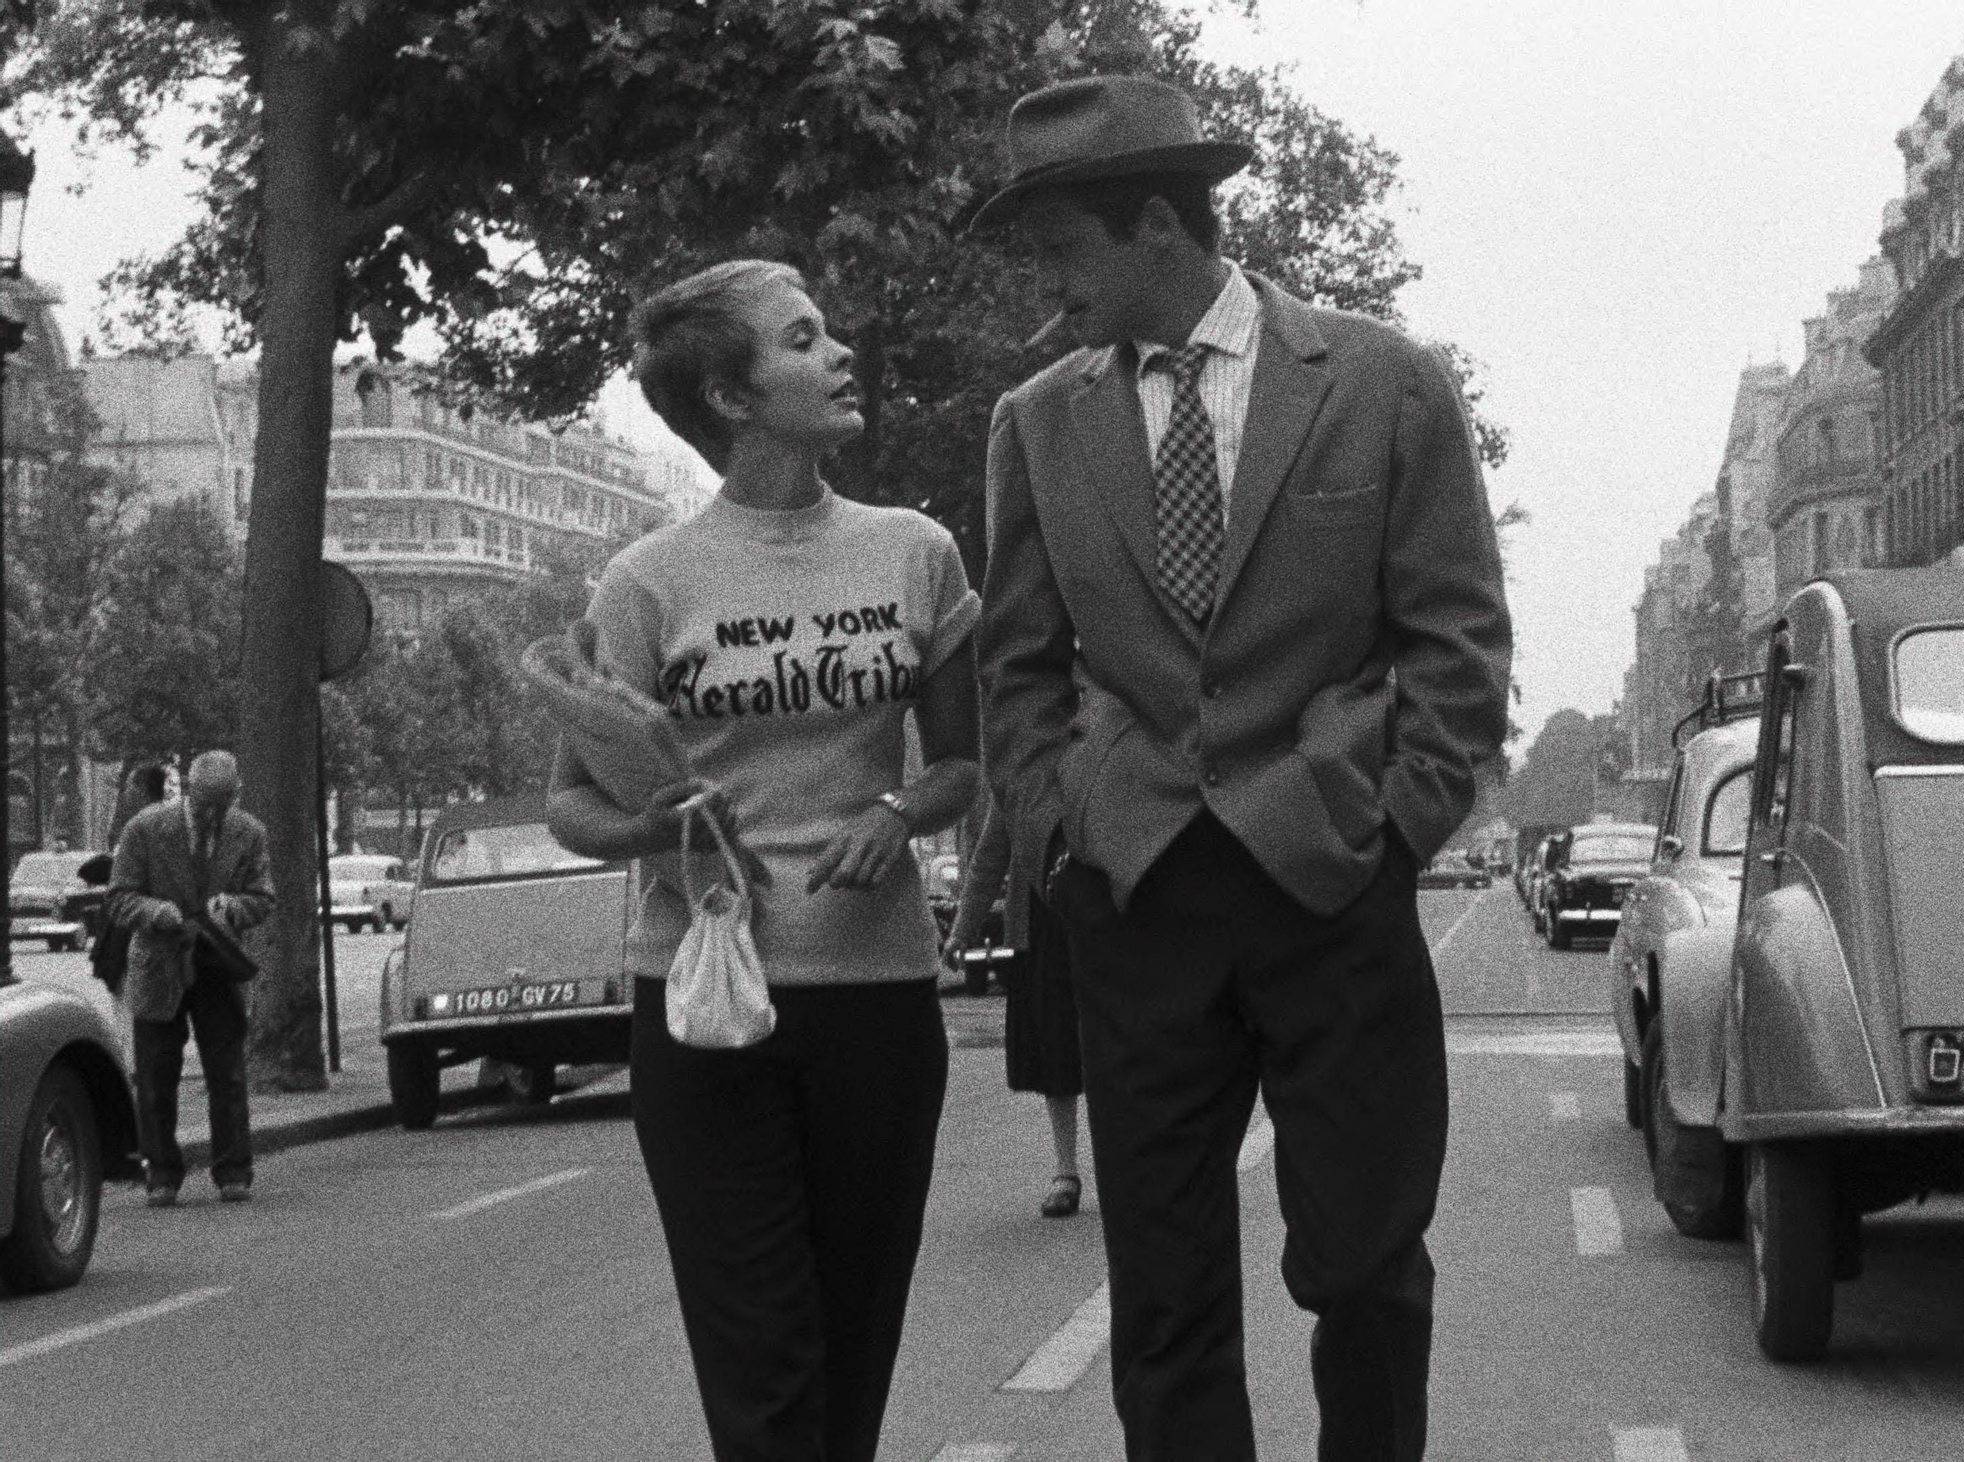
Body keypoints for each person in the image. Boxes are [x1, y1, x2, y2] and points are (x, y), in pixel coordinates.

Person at [973, 76, 1513, 1461]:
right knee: (1162, 1299)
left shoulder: (1384, 383)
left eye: (1062, 252)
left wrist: (1399, 820)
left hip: (1332, 879)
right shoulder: (1036, 423)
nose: (1048, 290)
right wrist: (1057, 828)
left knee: (1368, 1269)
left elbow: (1457, 641)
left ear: (1156, 223)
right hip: (1139, 895)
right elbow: (1019, 666)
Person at [546, 259, 981, 1461]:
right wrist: (658, 828)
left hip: (878, 1003)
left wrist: (895, 813)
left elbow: (962, 767)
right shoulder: (646, 581)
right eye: (803, 340)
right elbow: (570, 804)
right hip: (702, 1012)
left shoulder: (916, 553)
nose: (839, 354)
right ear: (733, 399)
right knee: (760, 1360)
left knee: (851, 1348)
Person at [109, 750, 276, 1207]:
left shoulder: (250, 832)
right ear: (188, 791)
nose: (212, 817)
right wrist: (153, 911)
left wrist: (233, 909)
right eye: (204, 806)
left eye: (222, 807)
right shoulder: (144, 829)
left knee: (227, 1070)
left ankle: (234, 1169)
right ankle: (161, 1173)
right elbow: (119, 897)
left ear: (235, 796)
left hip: (217, 963)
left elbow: (263, 896)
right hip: (159, 962)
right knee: (156, 1074)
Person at [946, 797, 1085, 1218]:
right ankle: (1066, 1171)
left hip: (1107, 917)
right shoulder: (1017, 770)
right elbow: (990, 855)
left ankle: (1128, 1165)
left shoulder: (1103, 743)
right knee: (1056, 1048)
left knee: (1118, 1046)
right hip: (1041, 924)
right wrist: (962, 930)